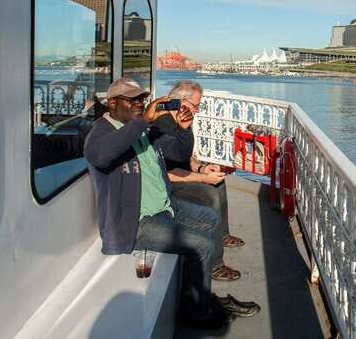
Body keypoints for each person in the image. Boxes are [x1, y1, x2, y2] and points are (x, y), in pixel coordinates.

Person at [83, 77, 259, 329]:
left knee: (210, 219)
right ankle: (197, 313)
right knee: (201, 245)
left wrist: (185, 129)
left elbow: (178, 153)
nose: (139, 103)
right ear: (112, 103)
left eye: (142, 99)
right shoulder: (101, 133)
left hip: (165, 207)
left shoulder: (142, 128)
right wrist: (144, 120)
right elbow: (101, 155)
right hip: (135, 223)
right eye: (132, 100)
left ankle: (196, 294)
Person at [162, 81, 245, 282]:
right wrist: (203, 178)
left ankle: (222, 235)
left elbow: (186, 157)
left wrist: (202, 168)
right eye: (196, 105)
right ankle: (215, 264)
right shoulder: (161, 125)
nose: (198, 110)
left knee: (219, 183)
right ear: (182, 101)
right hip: (169, 182)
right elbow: (165, 172)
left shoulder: (181, 119)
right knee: (210, 194)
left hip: (181, 174)